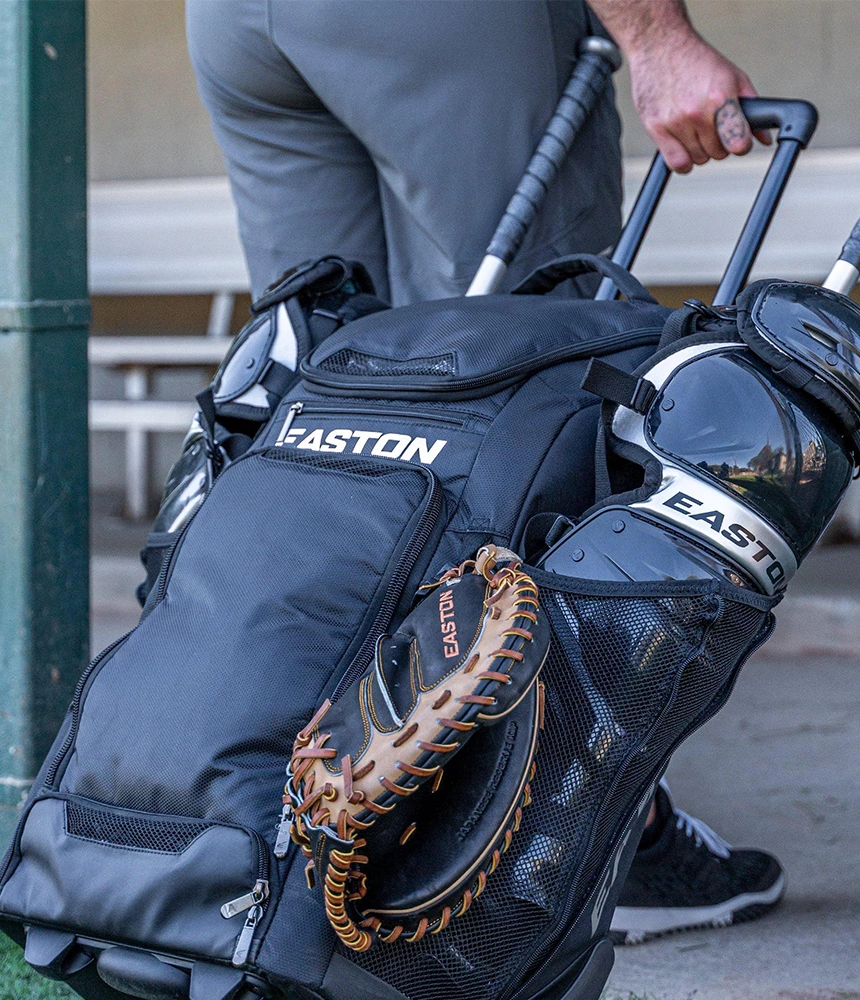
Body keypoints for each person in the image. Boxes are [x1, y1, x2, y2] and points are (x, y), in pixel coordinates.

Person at [186, 0, 785, 940]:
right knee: (523, 388)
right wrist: (657, 37)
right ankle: (547, 845)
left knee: (329, 399)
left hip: (238, 26)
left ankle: (286, 833)